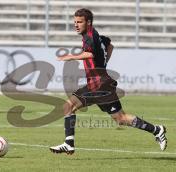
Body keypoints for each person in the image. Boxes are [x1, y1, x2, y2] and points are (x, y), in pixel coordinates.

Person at [49, 8, 167, 155]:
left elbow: (90, 53)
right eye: (74, 22)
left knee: (68, 106)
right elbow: (110, 46)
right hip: (103, 83)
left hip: (98, 84)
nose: (76, 25)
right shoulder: (95, 35)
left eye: (79, 22)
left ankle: (69, 143)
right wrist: (102, 66)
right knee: (121, 118)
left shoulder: (89, 37)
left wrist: (70, 57)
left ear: (88, 22)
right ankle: (157, 130)